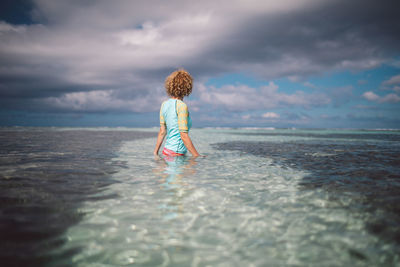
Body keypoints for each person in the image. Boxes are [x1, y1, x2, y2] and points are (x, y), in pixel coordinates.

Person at [153, 69, 200, 157]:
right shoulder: (182, 106)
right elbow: (183, 135)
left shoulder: (164, 104)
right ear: (187, 87)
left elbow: (162, 131)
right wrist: (197, 156)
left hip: (166, 151)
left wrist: (155, 153)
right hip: (177, 154)